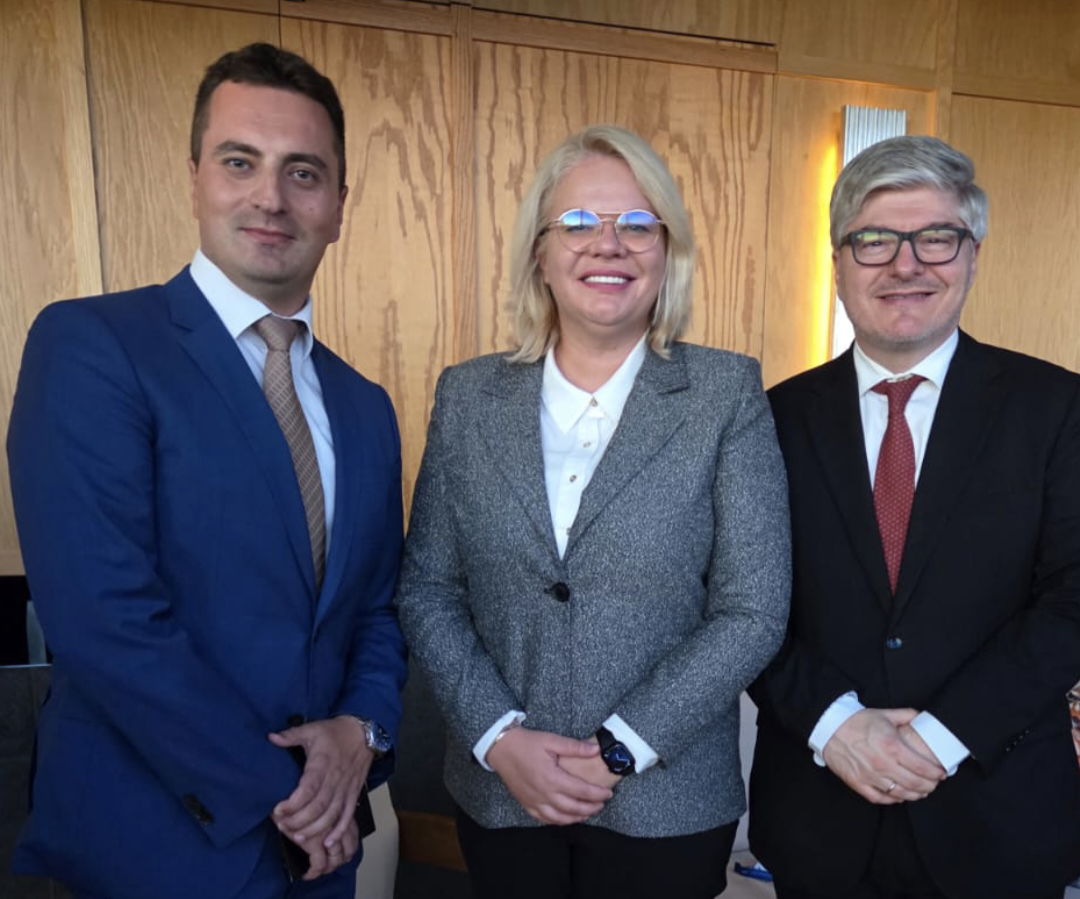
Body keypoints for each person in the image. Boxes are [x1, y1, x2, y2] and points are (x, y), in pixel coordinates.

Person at [7, 42, 407, 899]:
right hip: (153, 852)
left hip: (320, 857)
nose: (271, 196)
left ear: (339, 205)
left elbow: (376, 607)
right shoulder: (92, 345)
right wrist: (293, 799)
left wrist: (363, 729)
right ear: (194, 180)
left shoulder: (366, 406)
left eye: (304, 172)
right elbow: (106, 622)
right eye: (239, 161)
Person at [394, 124, 791, 899]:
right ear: (539, 252)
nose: (608, 244)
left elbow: (752, 609)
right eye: (578, 221)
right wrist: (498, 737)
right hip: (501, 793)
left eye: (638, 223)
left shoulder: (725, 393)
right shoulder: (468, 396)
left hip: (667, 802)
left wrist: (620, 747)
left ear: (667, 252)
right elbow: (427, 589)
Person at [748, 135, 1080, 899]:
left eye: (936, 237)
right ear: (838, 262)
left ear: (973, 255)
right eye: (874, 240)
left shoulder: (1058, 408)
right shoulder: (768, 419)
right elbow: (739, 602)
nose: (906, 264)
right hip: (820, 811)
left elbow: (1073, 598)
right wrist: (834, 723)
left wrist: (939, 737)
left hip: (1001, 818)